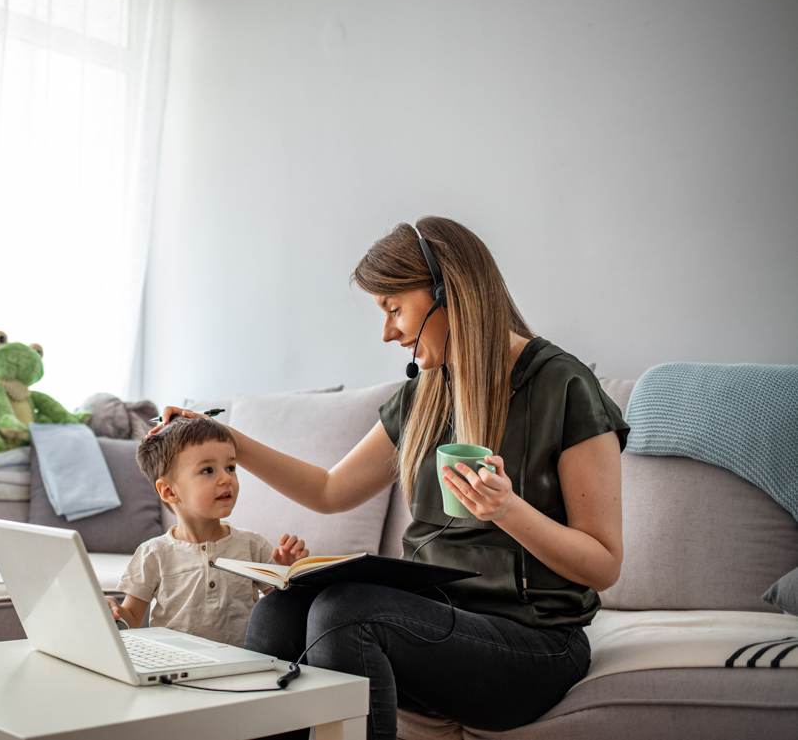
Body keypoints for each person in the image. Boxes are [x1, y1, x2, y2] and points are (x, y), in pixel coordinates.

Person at [151, 216, 629, 739]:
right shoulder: (427, 392)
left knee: (346, 613)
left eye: (395, 308)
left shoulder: (564, 386)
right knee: (279, 613)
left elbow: (603, 564)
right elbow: (329, 491)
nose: (388, 332)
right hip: (436, 621)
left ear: (449, 291)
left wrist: (506, 510)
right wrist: (228, 438)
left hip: (534, 644)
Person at [108, 415, 309, 648]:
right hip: (177, 667)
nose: (226, 478)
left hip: (244, 666)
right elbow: (131, 619)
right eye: (207, 470)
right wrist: (111, 608)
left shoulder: (252, 545)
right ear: (169, 491)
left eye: (230, 467)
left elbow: (279, 615)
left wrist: (287, 576)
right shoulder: (153, 554)